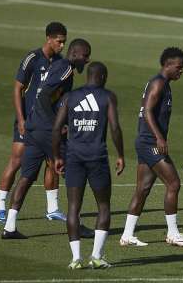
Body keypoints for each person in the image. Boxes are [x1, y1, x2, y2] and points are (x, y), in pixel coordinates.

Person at [1, 39, 91, 239]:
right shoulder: (66, 69)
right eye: (85, 55)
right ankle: (75, 225)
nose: (87, 59)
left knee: (27, 176)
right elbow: (44, 97)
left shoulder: (57, 65)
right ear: (75, 54)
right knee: (75, 173)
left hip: (33, 128)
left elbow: (45, 94)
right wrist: (56, 125)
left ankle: (9, 226)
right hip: (47, 130)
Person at [52, 61, 124, 269]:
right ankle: (97, 256)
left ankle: (75, 259)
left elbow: (56, 129)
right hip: (97, 158)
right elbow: (115, 128)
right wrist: (120, 154)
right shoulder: (108, 96)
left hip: (74, 158)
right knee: (103, 206)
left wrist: (57, 157)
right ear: (102, 77)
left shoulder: (70, 97)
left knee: (74, 207)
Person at [120, 47, 183, 247]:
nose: (181, 71)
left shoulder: (164, 84)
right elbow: (147, 112)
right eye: (179, 67)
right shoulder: (158, 83)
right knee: (174, 183)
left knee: (142, 189)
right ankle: (173, 233)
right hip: (149, 142)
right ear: (167, 65)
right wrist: (159, 138)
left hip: (145, 141)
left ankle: (127, 235)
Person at [0, 22, 66, 223]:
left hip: (48, 122)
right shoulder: (32, 59)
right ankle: (0, 207)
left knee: (53, 163)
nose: (62, 46)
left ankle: (53, 208)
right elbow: (17, 88)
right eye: (59, 42)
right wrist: (21, 119)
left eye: (64, 42)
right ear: (49, 39)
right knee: (17, 160)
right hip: (27, 120)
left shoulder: (61, 63)